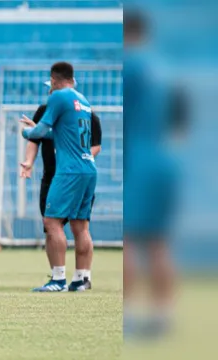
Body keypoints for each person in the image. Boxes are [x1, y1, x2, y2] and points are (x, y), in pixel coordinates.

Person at [123, 10, 182, 337]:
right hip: (165, 157)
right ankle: (163, 316)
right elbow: (177, 120)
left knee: (129, 238)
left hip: (141, 159)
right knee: (159, 241)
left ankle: (127, 317)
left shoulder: (130, 66)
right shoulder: (163, 68)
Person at [20, 62, 97, 292]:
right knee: (80, 226)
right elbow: (63, 134)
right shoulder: (83, 101)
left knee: (52, 221)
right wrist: (40, 129)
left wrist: (26, 132)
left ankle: (58, 279)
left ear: (53, 80)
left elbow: (40, 133)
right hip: (88, 168)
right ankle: (81, 278)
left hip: (69, 171)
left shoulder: (58, 97)